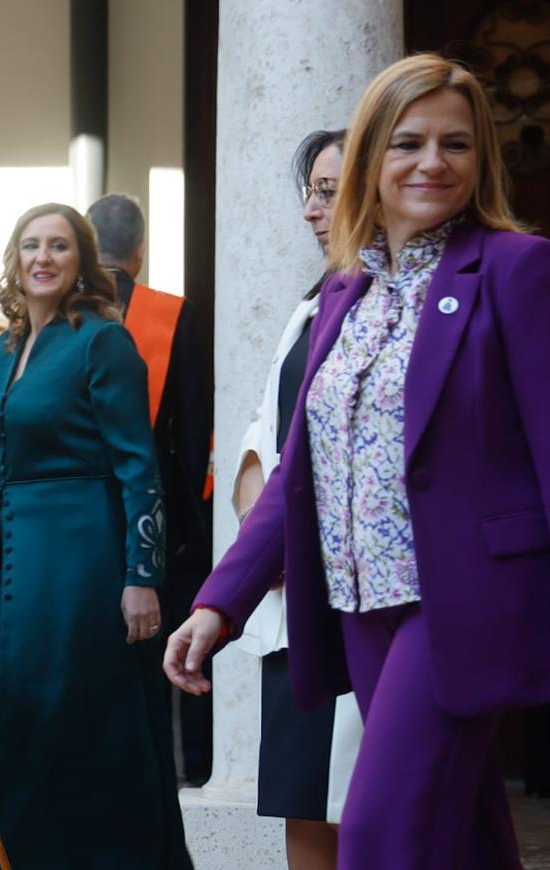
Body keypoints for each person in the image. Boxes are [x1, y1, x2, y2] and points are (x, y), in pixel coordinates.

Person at [164, 52, 550, 870]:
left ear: (481, 160)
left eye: (456, 144)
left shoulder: (521, 269)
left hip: (461, 607)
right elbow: (300, 472)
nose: (432, 163)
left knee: (379, 837)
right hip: (361, 607)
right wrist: (220, 601)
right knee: (463, 838)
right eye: (408, 142)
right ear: (372, 159)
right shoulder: (346, 288)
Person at [0, 203, 192, 870]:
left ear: (82, 259)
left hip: (85, 555)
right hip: (16, 558)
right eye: (31, 245)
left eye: (59, 245)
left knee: (41, 706)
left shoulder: (101, 341)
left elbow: (138, 466)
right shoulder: (3, 348)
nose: (43, 258)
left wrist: (142, 577)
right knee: (36, 709)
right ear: (14, 261)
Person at [229, 129, 362, 869]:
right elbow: (263, 429)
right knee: (302, 797)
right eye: (309, 192)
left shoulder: (388, 302)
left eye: (328, 190)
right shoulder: (309, 307)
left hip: (349, 593)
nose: (313, 209)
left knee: (356, 801)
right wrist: (260, 526)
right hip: (288, 592)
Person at [86, 193, 213, 785]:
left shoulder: (63, 314)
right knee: (181, 649)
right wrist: (193, 527)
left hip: (80, 516)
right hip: (164, 520)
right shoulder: (175, 314)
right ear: (141, 251)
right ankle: (194, 767)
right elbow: (192, 432)